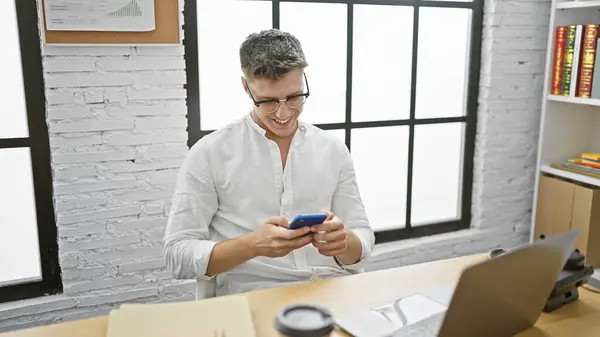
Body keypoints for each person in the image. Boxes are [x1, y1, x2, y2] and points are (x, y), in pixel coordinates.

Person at [164, 29, 374, 296]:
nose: (284, 113)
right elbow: (176, 255)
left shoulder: (332, 150)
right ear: (246, 87)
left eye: (295, 96)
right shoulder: (209, 153)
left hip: (333, 290)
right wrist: (252, 245)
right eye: (268, 102)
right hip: (253, 298)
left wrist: (345, 242)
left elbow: (363, 240)